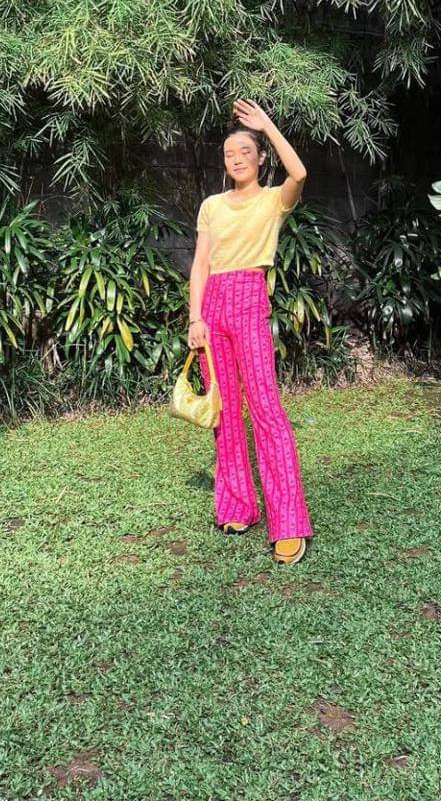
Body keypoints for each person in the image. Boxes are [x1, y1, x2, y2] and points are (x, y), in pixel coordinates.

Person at [187, 98, 314, 565]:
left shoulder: (273, 200)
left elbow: (299, 173)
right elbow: (200, 264)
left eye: (245, 151)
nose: (236, 159)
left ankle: (288, 523)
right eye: (229, 153)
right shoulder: (211, 206)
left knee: (266, 409)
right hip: (213, 307)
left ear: (260, 158)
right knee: (225, 412)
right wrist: (195, 317)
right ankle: (238, 505)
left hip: (248, 299)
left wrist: (266, 125)